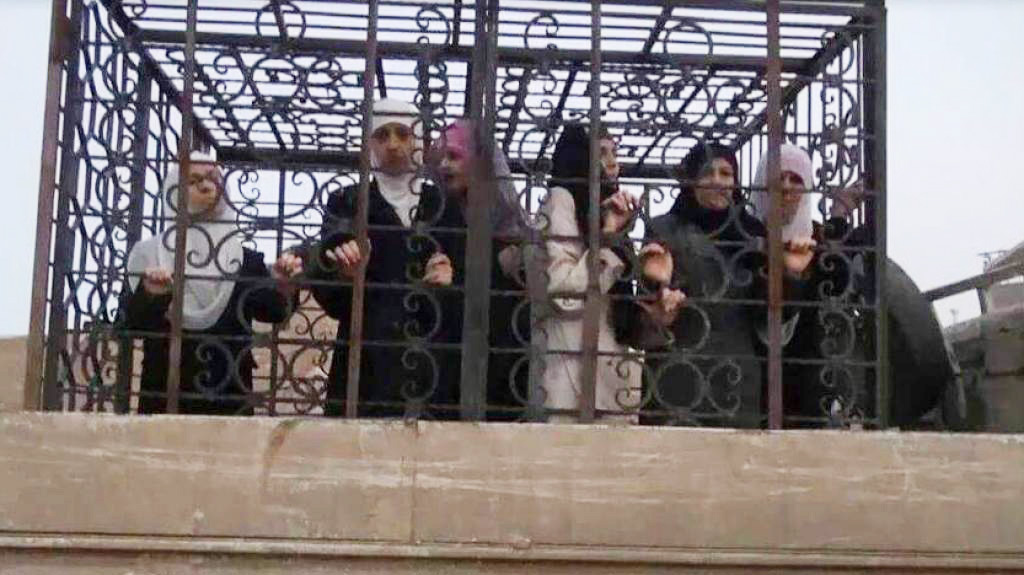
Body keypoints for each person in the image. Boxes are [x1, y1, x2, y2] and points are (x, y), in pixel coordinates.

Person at [632, 143, 816, 427]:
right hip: (677, 376)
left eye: (726, 173)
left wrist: (789, 274)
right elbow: (644, 304)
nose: (717, 181)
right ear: (692, 180)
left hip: (737, 381)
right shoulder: (665, 229)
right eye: (707, 172)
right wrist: (659, 293)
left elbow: (768, 313)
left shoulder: (754, 234)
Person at [307, 98, 464, 419]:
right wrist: (346, 274)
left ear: (417, 141)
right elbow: (328, 287)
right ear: (370, 144)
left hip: (431, 359)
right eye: (382, 135)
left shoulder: (441, 204)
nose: (393, 144)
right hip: (365, 360)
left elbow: (468, 287)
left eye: (402, 134)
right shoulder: (348, 201)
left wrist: (450, 278)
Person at [121, 152, 302, 415]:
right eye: (194, 181)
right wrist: (151, 293)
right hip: (165, 396)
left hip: (230, 399)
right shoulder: (149, 254)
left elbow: (273, 312)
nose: (207, 187)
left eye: (214, 179)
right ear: (174, 191)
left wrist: (284, 285)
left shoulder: (244, 259)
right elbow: (131, 324)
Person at [538, 124, 641, 423]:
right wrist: (607, 241)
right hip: (572, 380)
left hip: (610, 379)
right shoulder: (561, 200)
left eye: (614, 153)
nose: (612, 162)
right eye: (601, 153)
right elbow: (563, 292)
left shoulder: (605, 212)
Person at [432, 120, 533, 420]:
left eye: (454, 156)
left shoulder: (514, 226)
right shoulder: (436, 220)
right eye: (440, 158)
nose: (444, 165)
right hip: (446, 368)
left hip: (507, 368)